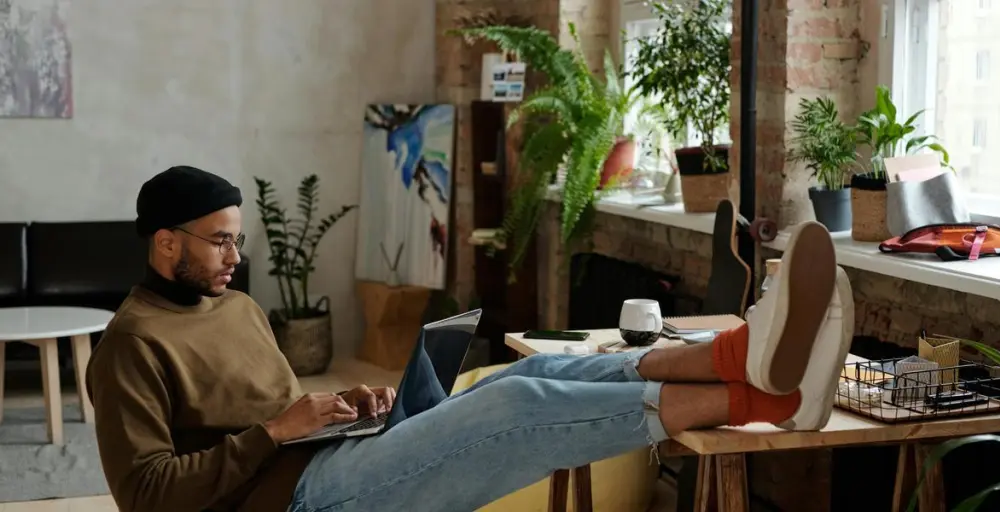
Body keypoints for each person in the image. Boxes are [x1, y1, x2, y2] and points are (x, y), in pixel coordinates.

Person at [86, 166, 855, 512]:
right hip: (296, 501)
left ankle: (743, 363)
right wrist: (277, 431)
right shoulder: (130, 344)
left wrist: (340, 406)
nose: (236, 257)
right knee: (514, 399)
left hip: (327, 459)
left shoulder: (234, 308)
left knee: (553, 363)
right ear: (166, 245)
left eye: (238, 241)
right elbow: (148, 495)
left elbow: (277, 408)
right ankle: (755, 390)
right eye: (220, 242)